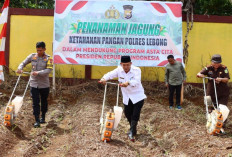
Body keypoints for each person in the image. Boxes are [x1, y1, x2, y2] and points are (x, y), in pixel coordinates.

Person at [99, 56, 146, 142]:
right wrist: (104, 78)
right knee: (127, 113)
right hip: (127, 96)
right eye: (124, 65)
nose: (126, 67)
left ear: (131, 64)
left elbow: (136, 81)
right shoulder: (119, 70)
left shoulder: (136, 70)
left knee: (135, 114)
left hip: (138, 96)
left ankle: (131, 132)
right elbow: (110, 74)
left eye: (127, 65)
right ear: (121, 64)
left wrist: (128, 83)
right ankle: (133, 129)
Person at [17, 41, 53, 128]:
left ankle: (43, 117)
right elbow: (23, 63)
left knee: (44, 101)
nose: (38, 52)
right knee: (35, 102)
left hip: (44, 84)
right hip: (34, 83)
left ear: (44, 49)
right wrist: (20, 68)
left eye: (40, 50)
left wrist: (38, 72)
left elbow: (48, 70)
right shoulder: (32, 56)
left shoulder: (49, 59)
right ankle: (37, 120)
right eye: (37, 50)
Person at [197, 54, 230, 133]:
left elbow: (226, 79)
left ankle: (221, 126)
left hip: (223, 92)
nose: (216, 64)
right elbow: (199, 73)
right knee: (210, 107)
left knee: (222, 109)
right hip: (210, 92)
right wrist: (200, 74)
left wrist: (221, 79)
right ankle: (211, 124)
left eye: (218, 63)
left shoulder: (224, 68)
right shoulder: (208, 68)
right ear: (211, 62)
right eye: (215, 63)